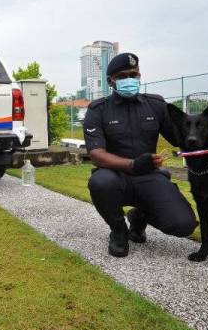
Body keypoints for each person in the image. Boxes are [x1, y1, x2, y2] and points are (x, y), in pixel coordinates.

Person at [83, 52, 197, 257]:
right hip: (114, 175)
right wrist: (133, 165)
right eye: (123, 76)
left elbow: (184, 139)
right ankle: (118, 230)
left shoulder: (155, 104)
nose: (130, 80)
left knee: (184, 224)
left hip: (149, 176)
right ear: (111, 81)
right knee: (100, 182)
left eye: (134, 75)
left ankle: (138, 218)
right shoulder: (97, 110)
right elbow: (97, 154)